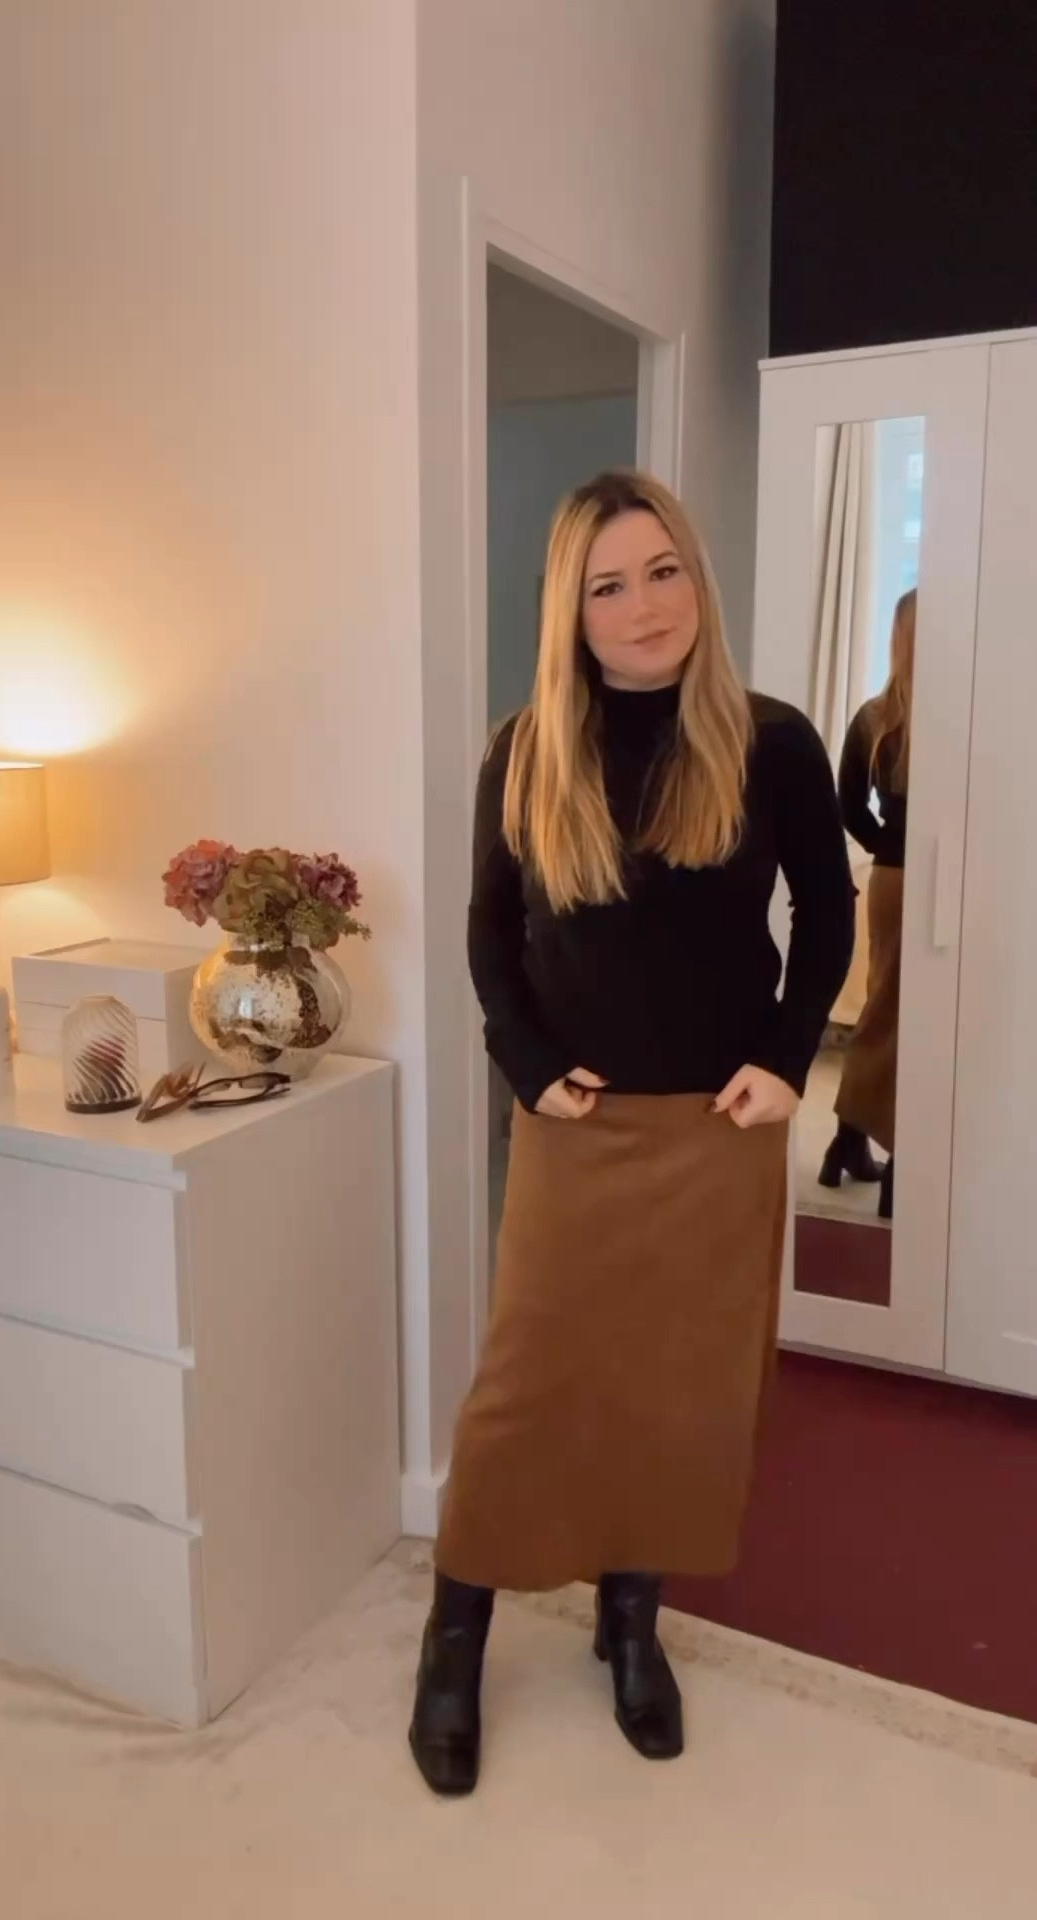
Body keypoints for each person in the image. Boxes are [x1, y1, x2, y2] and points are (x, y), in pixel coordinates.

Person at [408, 470, 855, 1798]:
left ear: (695, 579)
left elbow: (827, 913)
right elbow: (490, 930)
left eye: (663, 571)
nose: (644, 605)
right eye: (608, 585)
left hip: (718, 1129)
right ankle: (455, 1634)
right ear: (573, 610)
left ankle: (629, 1619)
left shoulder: (772, 741)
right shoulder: (526, 750)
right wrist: (528, 1065)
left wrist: (786, 1059)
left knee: (677, 1391)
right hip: (578, 1127)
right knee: (526, 1391)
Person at [820, 588, 915, 1223]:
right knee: (921, 1023)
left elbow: (847, 807)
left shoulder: (874, 718)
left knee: (882, 1009)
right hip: (937, 882)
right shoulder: (956, 717)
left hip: (890, 880)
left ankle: (846, 1141)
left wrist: (887, 846)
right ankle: (902, 1164)